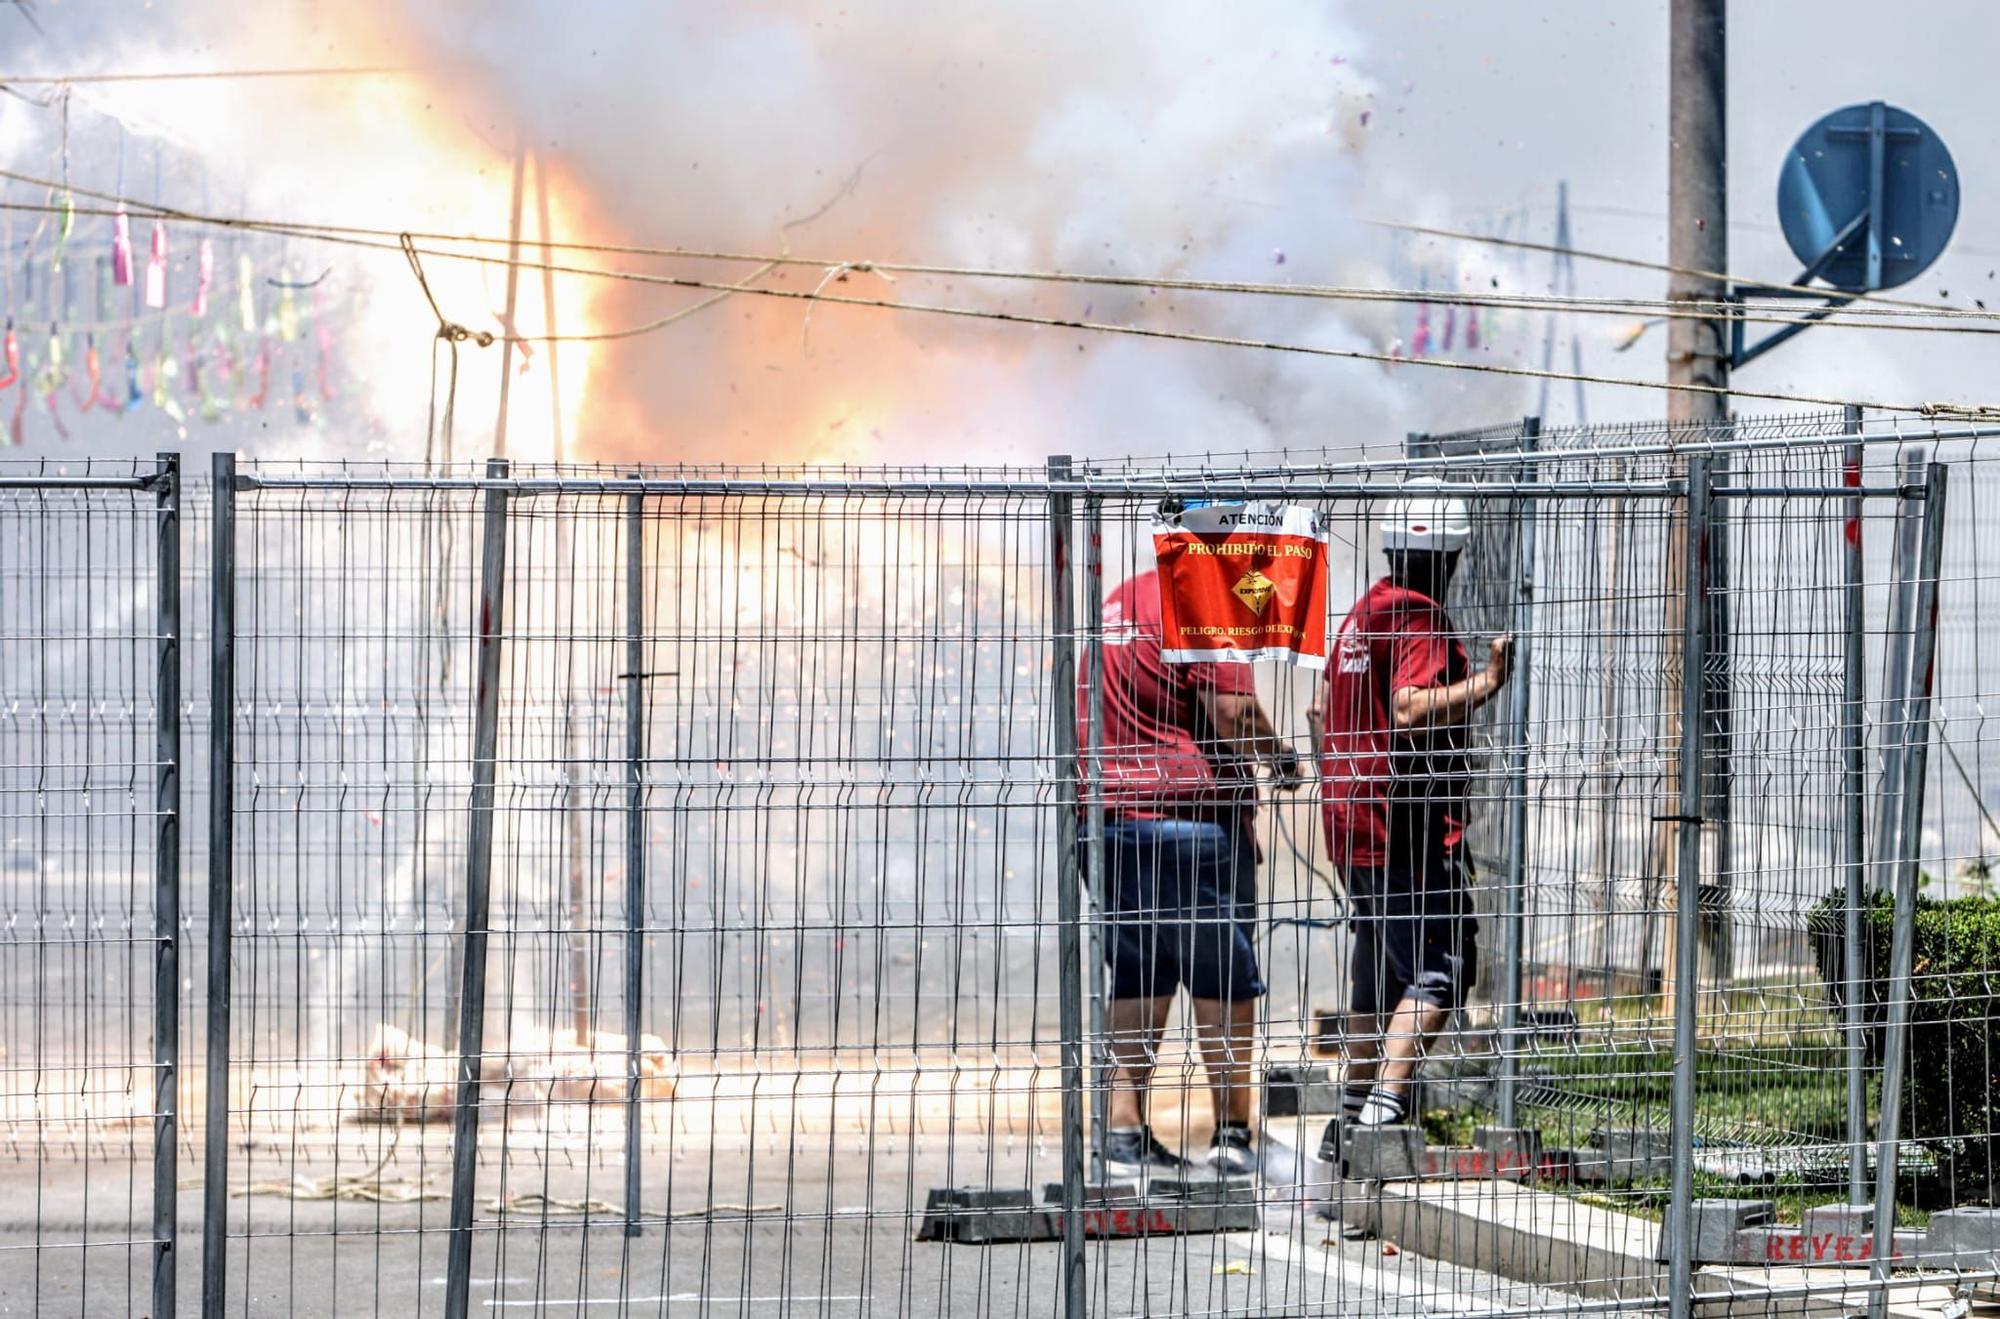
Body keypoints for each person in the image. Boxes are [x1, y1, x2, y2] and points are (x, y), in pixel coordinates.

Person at [1307, 494, 1511, 1160]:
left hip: (1353, 820)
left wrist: (1343, 778)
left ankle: (1349, 1115)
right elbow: (1407, 705)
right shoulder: (1418, 613)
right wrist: (1486, 682)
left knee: (1377, 972)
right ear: (1447, 558)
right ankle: (1380, 1114)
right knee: (1440, 968)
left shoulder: (1363, 613)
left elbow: (1317, 709)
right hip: (1405, 825)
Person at [1082, 567, 1301, 1179]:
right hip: (1189, 821)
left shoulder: (1125, 598)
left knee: (1138, 969)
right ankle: (1232, 1137)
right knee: (1222, 972)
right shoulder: (1207, 595)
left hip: (1108, 820)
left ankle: (1122, 1136)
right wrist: (1280, 756)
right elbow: (1232, 713)